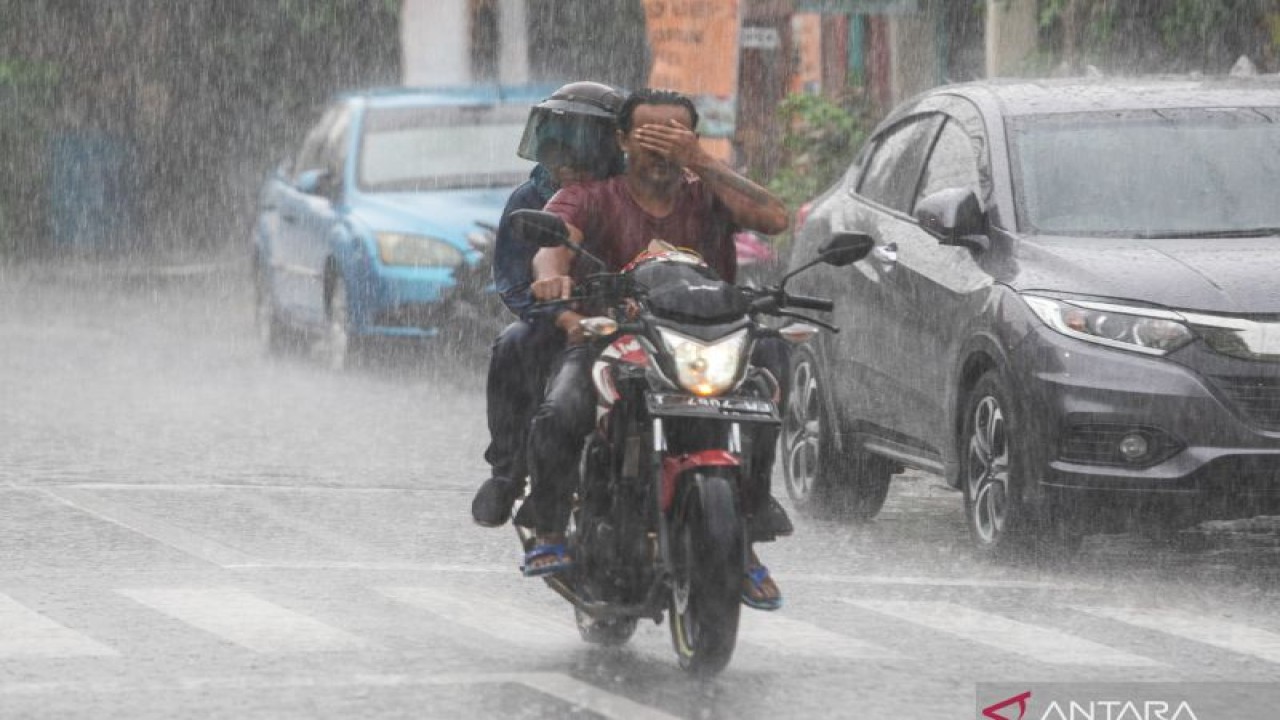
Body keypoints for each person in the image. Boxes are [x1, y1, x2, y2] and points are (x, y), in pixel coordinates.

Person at [523, 88, 793, 611]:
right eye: (649, 133)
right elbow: (551, 250)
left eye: (676, 134)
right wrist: (552, 280)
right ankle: (549, 528)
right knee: (563, 407)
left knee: (766, 384)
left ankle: (747, 530)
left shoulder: (707, 193)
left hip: (708, 340)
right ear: (622, 139)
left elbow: (774, 218)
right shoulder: (591, 197)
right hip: (615, 340)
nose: (661, 145)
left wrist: (702, 162)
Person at [471, 81, 628, 528]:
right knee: (511, 344)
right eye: (556, 145)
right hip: (558, 323)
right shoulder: (528, 198)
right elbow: (516, 282)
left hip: (637, 322)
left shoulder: (634, 193)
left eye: (582, 144)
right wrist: (563, 314)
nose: (565, 162)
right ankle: (508, 470)